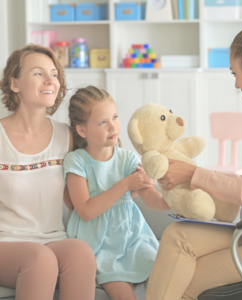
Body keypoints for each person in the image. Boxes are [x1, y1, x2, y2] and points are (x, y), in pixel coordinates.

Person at [144, 22, 242, 300]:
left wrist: (194, 174)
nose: (236, 84)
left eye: (235, 73)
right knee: (177, 235)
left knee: (186, 281)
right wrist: (197, 174)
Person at [0, 44, 97, 300]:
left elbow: (94, 184)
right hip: (5, 242)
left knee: (80, 252)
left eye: (54, 74)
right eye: (38, 73)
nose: (50, 81)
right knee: (40, 258)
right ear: (15, 84)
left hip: (52, 238)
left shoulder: (67, 136)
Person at [63, 86, 170, 300]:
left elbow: (153, 199)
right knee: (124, 296)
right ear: (82, 131)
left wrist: (172, 197)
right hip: (98, 243)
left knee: (168, 281)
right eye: (102, 122)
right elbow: (85, 210)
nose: (113, 126)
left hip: (134, 237)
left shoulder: (128, 159)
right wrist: (125, 185)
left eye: (115, 117)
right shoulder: (76, 161)